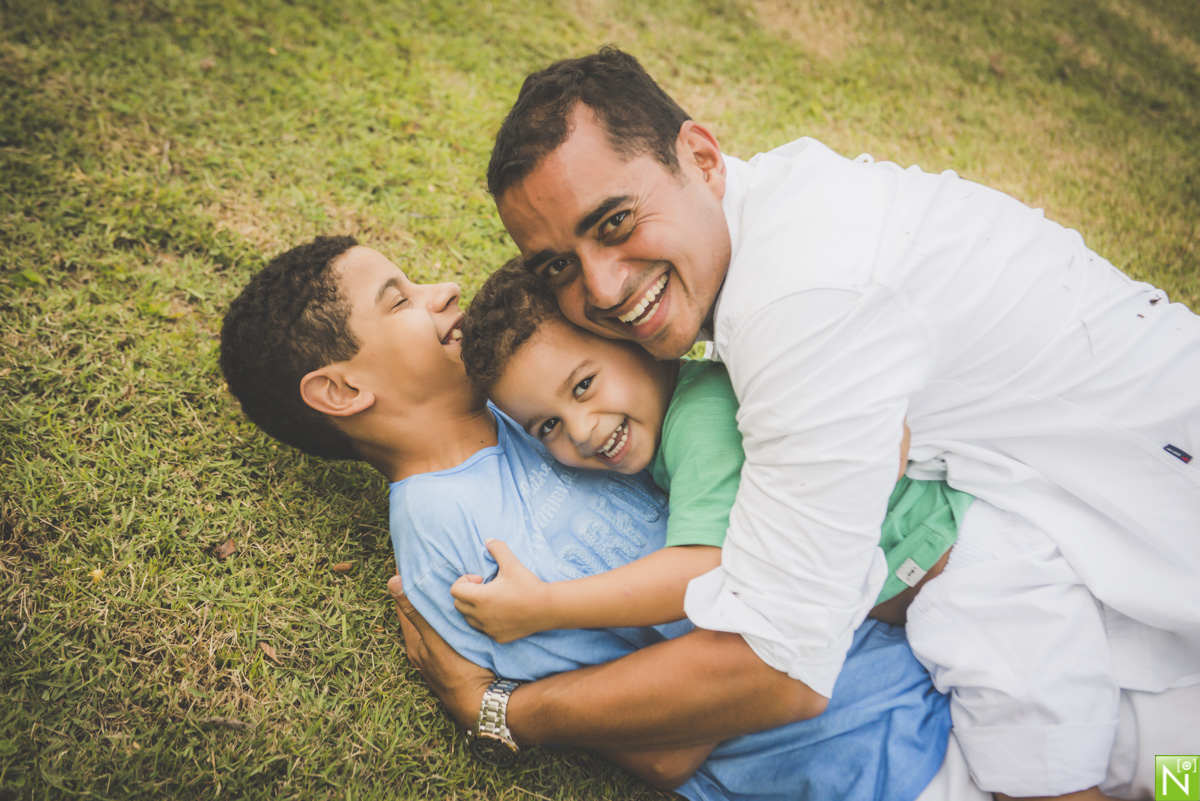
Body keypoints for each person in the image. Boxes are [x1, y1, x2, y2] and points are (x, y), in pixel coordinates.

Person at [397, 46, 1200, 800]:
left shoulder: (799, 306)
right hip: (1104, 581)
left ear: (702, 158)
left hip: (1084, 571)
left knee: (1053, 776)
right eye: (559, 265)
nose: (603, 289)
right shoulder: (776, 223)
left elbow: (778, 670)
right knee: (1167, 767)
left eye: (614, 221)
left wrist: (502, 708)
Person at [218, 236, 954, 801]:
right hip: (878, 763)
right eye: (398, 300)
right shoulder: (447, 535)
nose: (443, 291)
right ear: (342, 390)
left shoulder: (527, 393)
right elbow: (664, 750)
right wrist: (496, 706)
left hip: (932, 650)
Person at [451, 264, 963, 641]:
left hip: (952, 570)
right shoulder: (676, 413)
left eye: (583, 385)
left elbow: (700, 570)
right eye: (547, 426)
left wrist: (544, 607)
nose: (581, 431)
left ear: (631, 338)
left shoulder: (698, 421)